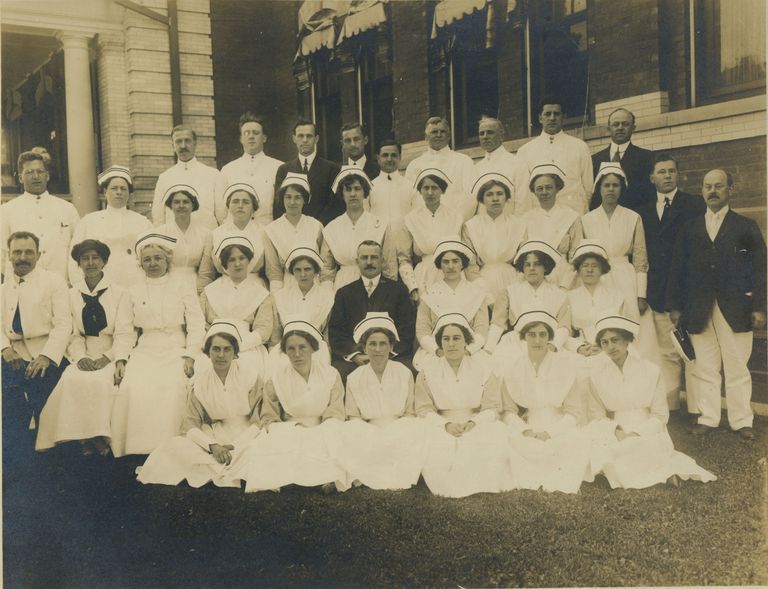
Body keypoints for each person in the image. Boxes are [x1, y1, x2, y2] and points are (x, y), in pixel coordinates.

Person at [667, 169, 766, 440]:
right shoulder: (691, 227)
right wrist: (675, 306)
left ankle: (741, 420)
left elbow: (760, 269)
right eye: (708, 187)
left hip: (735, 307)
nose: (712, 191)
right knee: (705, 367)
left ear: (730, 190)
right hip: (698, 308)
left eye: (719, 186)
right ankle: (709, 418)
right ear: (702, 191)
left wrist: (759, 307)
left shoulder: (745, 226)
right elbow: (678, 268)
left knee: (736, 365)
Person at [585, 315, 716, 488]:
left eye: (615, 340)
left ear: (627, 341)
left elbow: (660, 414)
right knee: (605, 449)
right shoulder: (597, 375)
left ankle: (662, 470)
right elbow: (596, 413)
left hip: (648, 425)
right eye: (605, 342)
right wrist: (616, 431)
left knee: (642, 446)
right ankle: (661, 472)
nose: (611, 347)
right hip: (616, 428)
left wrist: (638, 432)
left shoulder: (650, 370)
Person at [110, 232, 205, 457]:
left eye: (158, 258)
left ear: (167, 261)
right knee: (134, 385)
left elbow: (196, 324)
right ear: (141, 264)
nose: (153, 263)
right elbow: (124, 330)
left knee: (173, 386)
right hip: (145, 348)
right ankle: (137, 448)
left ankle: (171, 448)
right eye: (147, 259)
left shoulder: (183, 286)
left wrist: (191, 355)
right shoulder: (132, 291)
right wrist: (121, 358)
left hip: (176, 347)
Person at [137, 321, 263, 488]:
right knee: (175, 446)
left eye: (227, 349)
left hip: (248, 434)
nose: (221, 355)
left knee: (257, 451)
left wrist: (235, 445)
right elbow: (190, 424)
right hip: (217, 435)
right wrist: (213, 446)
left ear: (235, 353)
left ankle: (230, 461)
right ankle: (220, 460)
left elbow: (260, 419)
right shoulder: (201, 383)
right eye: (216, 349)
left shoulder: (250, 376)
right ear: (207, 352)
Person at [36, 240, 133, 455]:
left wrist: (111, 358)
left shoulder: (120, 293)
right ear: (78, 263)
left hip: (111, 352)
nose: (91, 263)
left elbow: (125, 332)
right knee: (72, 379)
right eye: (85, 258)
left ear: (104, 261)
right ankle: (83, 437)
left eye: (95, 258)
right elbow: (72, 333)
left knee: (102, 382)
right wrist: (80, 357)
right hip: (82, 353)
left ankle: (99, 437)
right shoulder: (70, 294)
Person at [237, 319, 346, 493]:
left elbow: (335, 411)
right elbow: (269, 416)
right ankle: (291, 477)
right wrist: (290, 427)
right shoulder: (276, 379)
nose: (297, 354)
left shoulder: (330, 374)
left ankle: (327, 477)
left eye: (302, 347)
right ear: (285, 352)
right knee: (278, 438)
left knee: (330, 435)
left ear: (312, 348)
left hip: (322, 426)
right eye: (291, 349)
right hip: (290, 428)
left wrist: (322, 428)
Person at [415, 313, 512, 497]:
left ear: (466, 341)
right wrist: (446, 425)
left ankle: (480, 483)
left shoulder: (484, 368)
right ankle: (446, 487)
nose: (451, 344)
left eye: (457, 338)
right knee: (435, 442)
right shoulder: (427, 371)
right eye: (446, 339)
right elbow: (423, 408)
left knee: (493, 434)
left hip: (475, 422)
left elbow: (492, 407)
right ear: (440, 343)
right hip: (442, 423)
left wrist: (474, 423)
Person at [637, 154, 705, 412]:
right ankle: (671, 406)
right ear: (652, 178)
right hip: (658, 292)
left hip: (687, 290)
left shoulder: (694, 205)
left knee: (692, 351)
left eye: (671, 171)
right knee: (667, 351)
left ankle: (699, 410)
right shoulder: (642, 211)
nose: (667, 176)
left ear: (678, 175)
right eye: (661, 172)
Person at [329, 313, 425, 490]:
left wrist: (391, 431)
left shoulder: (404, 373)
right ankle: (361, 474)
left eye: (383, 344)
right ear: (364, 348)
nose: (378, 349)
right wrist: (372, 432)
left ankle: (395, 474)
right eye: (372, 344)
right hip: (368, 431)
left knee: (414, 428)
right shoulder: (354, 377)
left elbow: (410, 412)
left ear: (391, 347)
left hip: (399, 428)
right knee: (350, 429)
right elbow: (353, 416)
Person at [574, 163, 658, 361]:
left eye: (615, 185)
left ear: (621, 189)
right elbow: (582, 258)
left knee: (629, 327)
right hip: (597, 279)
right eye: (606, 185)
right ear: (599, 189)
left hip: (625, 279)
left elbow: (640, 258)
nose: (611, 189)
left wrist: (640, 295)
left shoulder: (632, 217)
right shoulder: (586, 220)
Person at [500, 310, 590, 494]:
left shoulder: (565, 366)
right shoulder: (513, 367)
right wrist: (526, 430)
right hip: (528, 425)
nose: (537, 340)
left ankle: (556, 479)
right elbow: (508, 410)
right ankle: (530, 478)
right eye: (531, 335)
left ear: (549, 337)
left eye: (542, 335)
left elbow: (574, 412)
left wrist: (550, 432)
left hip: (558, 425)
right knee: (509, 438)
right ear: (524, 338)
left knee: (574, 439)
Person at [1, 231, 71, 464]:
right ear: (9, 255)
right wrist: (4, 349)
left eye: (28, 252)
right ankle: (15, 460)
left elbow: (63, 324)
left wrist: (46, 357)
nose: (22, 257)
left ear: (38, 255)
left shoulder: (54, 282)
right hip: (13, 352)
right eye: (17, 252)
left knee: (48, 404)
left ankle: (50, 461)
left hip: (46, 351)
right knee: (10, 408)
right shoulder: (3, 286)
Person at [328, 240, 416, 380]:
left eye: (374, 257)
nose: (369, 262)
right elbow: (337, 331)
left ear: (382, 260)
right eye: (364, 258)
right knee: (339, 374)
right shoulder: (344, 293)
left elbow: (407, 328)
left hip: (391, 355)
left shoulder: (398, 290)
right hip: (356, 358)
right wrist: (355, 355)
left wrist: (385, 354)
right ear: (357, 261)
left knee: (406, 373)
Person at [199, 236, 274, 377]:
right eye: (231, 260)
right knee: (204, 367)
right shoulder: (210, 291)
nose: (237, 264)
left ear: (249, 260)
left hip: (246, 346)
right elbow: (199, 323)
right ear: (224, 264)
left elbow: (264, 329)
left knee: (248, 369)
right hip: (212, 346)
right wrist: (211, 343)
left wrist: (237, 346)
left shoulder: (260, 293)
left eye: (242, 258)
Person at [68, 166, 152, 288]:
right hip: (102, 282)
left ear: (129, 193)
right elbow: (74, 258)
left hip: (135, 281)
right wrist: (80, 285)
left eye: (123, 189)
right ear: (105, 192)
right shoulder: (89, 221)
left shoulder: (142, 222)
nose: (119, 192)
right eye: (114, 188)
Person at [1, 151, 80, 280]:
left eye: (40, 171)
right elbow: (1, 252)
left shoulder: (67, 209)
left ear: (47, 176)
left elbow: (78, 248)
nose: (36, 176)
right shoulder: (6, 210)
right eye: (29, 172)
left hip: (60, 284)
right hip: (21, 286)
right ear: (20, 178)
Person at [485, 241, 571, 356]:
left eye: (537, 264)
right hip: (517, 343)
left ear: (545, 267)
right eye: (527, 264)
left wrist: (553, 346)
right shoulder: (509, 292)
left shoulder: (559, 294)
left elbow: (564, 326)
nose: (531, 268)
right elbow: (497, 324)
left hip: (550, 343)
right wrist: (488, 350)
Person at [414, 240, 489, 370]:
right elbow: (422, 330)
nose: (451, 266)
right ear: (440, 265)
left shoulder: (477, 294)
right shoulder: (429, 294)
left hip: (469, 351)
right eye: (446, 262)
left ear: (462, 264)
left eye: (455, 261)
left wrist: (468, 351)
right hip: (437, 351)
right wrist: (437, 351)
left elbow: (481, 330)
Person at [320, 167, 396, 290]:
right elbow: (327, 270)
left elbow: (389, 266)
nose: (353, 194)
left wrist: (388, 294)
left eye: (357, 189)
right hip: (342, 286)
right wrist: (327, 296)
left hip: (374, 286)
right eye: (348, 189)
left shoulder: (380, 225)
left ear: (364, 192)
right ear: (342, 193)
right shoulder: (331, 228)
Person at [515, 97, 593, 215]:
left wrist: (582, 213)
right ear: (540, 118)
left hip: (573, 214)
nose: (552, 118)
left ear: (563, 117)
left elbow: (588, 187)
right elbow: (522, 193)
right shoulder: (525, 151)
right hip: (539, 218)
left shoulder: (580, 147)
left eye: (556, 114)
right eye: (547, 114)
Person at [398, 168, 465, 299]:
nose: (430, 192)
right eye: (425, 188)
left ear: (442, 190)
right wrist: (412, 287)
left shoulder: (455, 217)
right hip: (423, 277)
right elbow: (404, 258)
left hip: (452, 275)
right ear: (420, 191)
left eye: (434, 188)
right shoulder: (411, 219)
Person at [462, 173, 526, 303]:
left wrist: (518, 286)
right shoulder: (471, 226)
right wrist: (484, 293)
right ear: (482, 199)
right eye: (489, 194)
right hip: (482, 281)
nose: (495, 198)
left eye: (499, 194)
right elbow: (470, 264)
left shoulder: (518, 225)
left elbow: (524, 260)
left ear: (507, 197)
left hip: (513, 280)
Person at [151, 125, 225, 229]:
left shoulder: (213, 175)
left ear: (195, 144)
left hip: (206, 240)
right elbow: (158, 218)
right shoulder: (165, 178)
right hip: (174, 241)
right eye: (178, 141)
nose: (183, 146)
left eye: (187, 141)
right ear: (173, 145)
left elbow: (222, 215)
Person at [270, 246, 334, 365]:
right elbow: (276, 332)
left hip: (316, 347)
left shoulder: (327, 297)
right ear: (292, 272)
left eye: (307, 269)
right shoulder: (281, 296)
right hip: (287, 346)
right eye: (298, 270)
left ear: (316, 271)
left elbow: (327, 333)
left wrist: (328, 352)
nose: (303, 274)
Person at [197, 182, 266, 290]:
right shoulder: (215, 234)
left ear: (253, 208)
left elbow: (273, 272)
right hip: (223, 288)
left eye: (246, 202)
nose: (240, 205)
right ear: (228, 206)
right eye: (235, 201)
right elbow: (206, 273)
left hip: (256, 288)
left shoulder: (264, 232)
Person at [404, 117, 476, 220]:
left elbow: (470, 197)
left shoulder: (464, 161)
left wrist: (457, 222)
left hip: (453, 225)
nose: (438, 135)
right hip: (423, 226)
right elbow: (409, 199)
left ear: (449, 136)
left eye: (442, 131)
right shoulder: (414, 165)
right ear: (426, 137)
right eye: (434, 132)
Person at [520, 164, 580, 287]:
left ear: (557, 188)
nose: (544, 192)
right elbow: (523, 255)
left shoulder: (571, 216)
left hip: (565, 276)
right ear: (534, 191)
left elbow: (577, 255)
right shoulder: (526, 219)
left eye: (549, 187)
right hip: (535, 278)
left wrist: (566, 283)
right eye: (540, 188)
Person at [220, 112, 283, 227]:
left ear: (264, 138)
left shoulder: (278, 167)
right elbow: (222, 209)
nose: (251, 136)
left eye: (256, 133)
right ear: (241, 139)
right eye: (246, 133)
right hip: (237, 233)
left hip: (267, 229)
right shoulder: (228, 169)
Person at [264, 174, 324, 292]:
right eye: (288, 197)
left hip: (315, 287)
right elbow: (274, 271)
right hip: (287, 287)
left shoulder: (316, 226)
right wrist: (277, 298)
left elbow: (323, 265)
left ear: (304, 200)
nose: (292, 202)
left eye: (297, 197)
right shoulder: (271, 230)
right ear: (282, 199)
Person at [273, 120, 341, 224]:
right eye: (300, 136)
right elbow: (279, 205)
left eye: (309, 136)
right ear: (294, 139)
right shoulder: (284, 170)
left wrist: (317, 227)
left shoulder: (332, 169)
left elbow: (333, 205)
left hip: (322, 229)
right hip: (291, 229)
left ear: (316, 139)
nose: (304, 140)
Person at [564, 240, 624, 355]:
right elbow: (563, 331)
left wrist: (604, 347)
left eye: (594, 266)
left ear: (602, 269)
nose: (589, 270)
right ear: (578, 270)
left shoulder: (616, 296)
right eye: (585, 266)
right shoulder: (569, 297)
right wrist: (579, 347)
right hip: (579, 352)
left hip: (610, 351)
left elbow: (624, 331)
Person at [589, 108, 654, 211]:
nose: (620, 128)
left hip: (633, 218)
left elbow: (650, 195)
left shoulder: (647, 157)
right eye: (616, 124)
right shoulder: (595, 160)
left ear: (633, 128)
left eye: (625, 124)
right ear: (608, 128)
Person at [156, 184, 212, 292]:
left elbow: (206, 271)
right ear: (171, 206)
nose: (181, 205)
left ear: (193, 205)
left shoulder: (205, 234)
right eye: (176, 202)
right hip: (167, 286)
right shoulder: (161, 232)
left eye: (186, 202)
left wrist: (200, 292)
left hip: (195, 285)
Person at [472, 117, 531, 216]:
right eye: (481, 133)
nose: (485, 137)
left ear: (501, 136)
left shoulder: (517, 163)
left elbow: (523, 203)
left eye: (490, 132)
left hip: (510, 228)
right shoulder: (476, 168)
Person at [368, 140, 415, 234]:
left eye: (394, 155)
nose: (389, 159)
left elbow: (416, 218)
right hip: (378, 243)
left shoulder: (411, 186)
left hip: (404, 244)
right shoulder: (370, 187)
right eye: (385, 155)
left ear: (400, 157)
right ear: (378, 158)